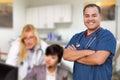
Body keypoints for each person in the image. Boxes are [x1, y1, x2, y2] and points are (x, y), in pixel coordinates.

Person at [63, 4, 116, 80]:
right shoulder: (77, 37)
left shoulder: (107, 36)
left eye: (94, 15)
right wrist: (86, 52)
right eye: (87, 16)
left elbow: (98, 60)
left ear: (100, 17)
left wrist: (75, 56)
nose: (90, 19)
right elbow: (65, 55)